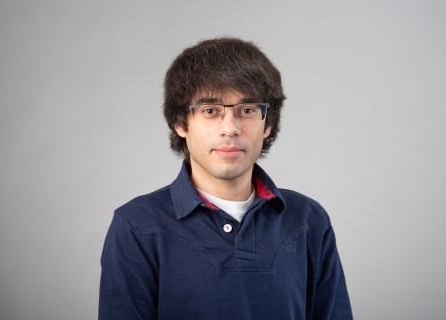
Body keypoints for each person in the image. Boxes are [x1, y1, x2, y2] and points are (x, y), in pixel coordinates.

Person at [98, 37, 353, 320]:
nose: (230, 128)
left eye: (246, 111)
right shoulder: (137, 226)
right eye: (210, 111)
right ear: (181, 123)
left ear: (267, 124)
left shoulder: (308, 220)